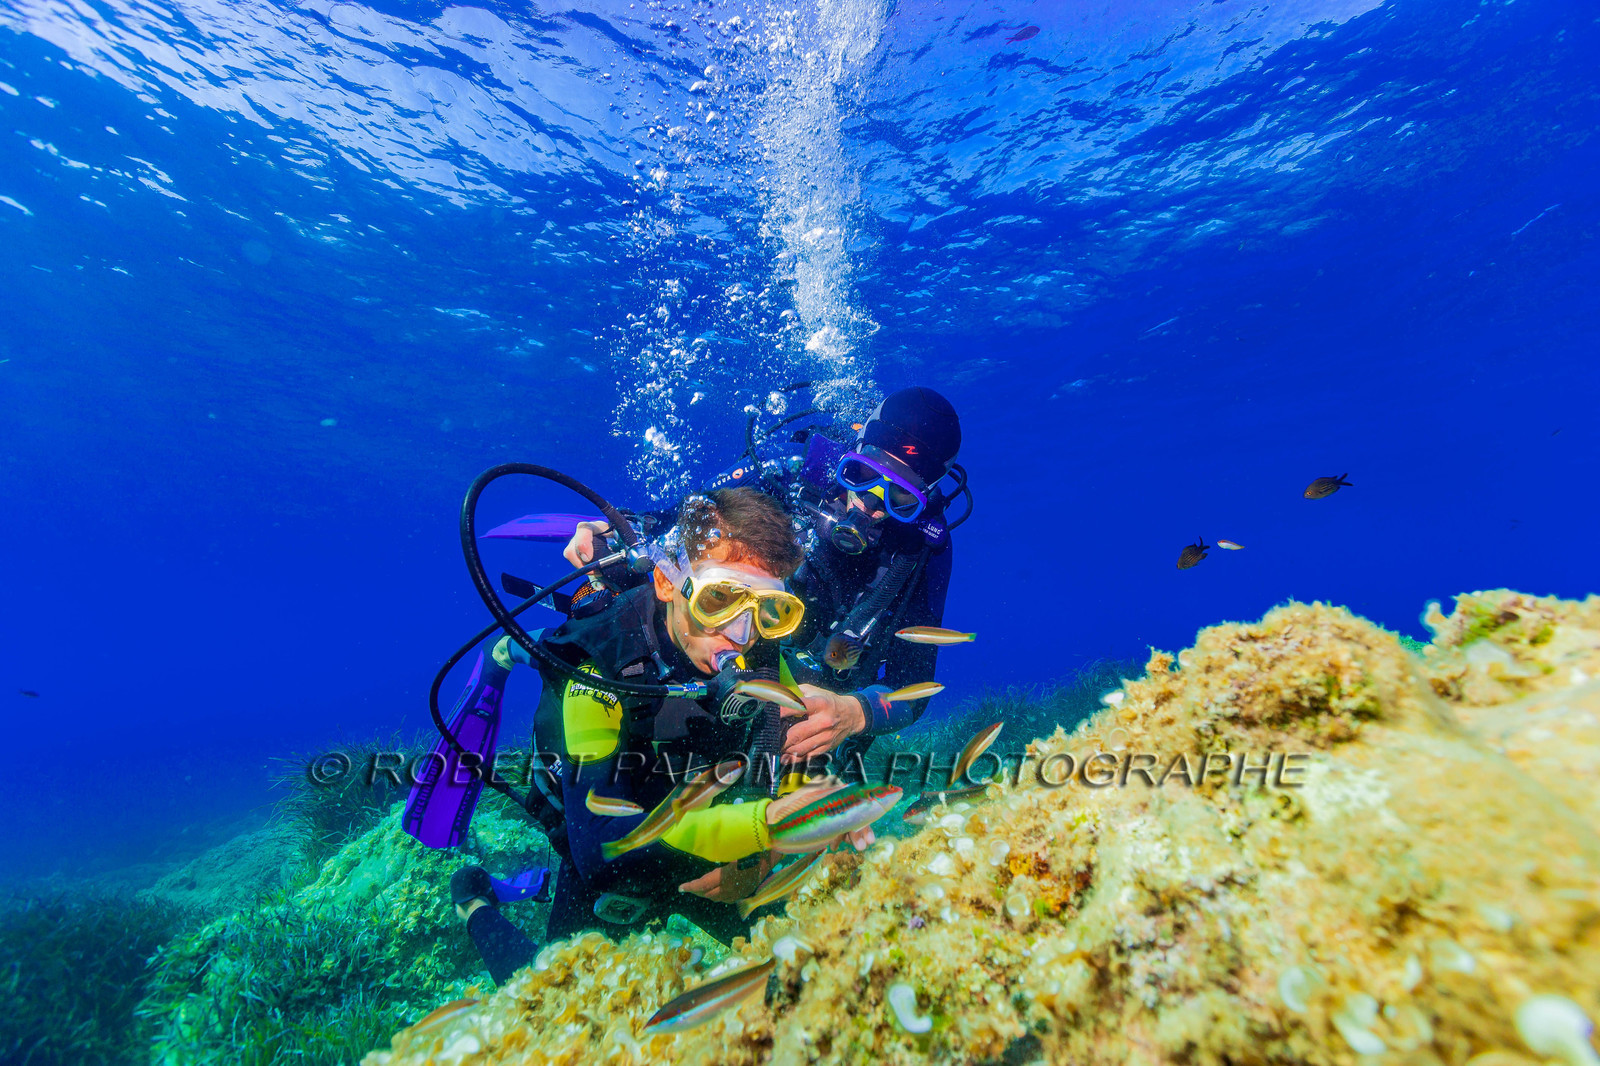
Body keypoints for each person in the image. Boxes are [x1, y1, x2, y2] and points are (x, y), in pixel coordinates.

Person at [438, 487, 862, 985]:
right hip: (618, 853)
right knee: (546, 998)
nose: (741, 633)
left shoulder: (762, 658)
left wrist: (815, 809)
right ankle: (474, 901)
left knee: (811, 969)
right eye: (719, 599)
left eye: (770, 610)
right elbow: (600, 849)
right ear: (666, 582)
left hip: (709, 840)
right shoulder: (601, 665)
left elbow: (790, 758)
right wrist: (765, 827)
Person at [564, 386, 965, 773]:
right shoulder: (790, 473)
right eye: (860, 474)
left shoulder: (922, 549)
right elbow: (683, 521)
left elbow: (915, 687)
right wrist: (621, 529)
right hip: (718, 678)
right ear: (851, 451)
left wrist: (854, 713)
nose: (870, 504)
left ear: (926, 496)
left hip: (809, 725)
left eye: (901, 497)